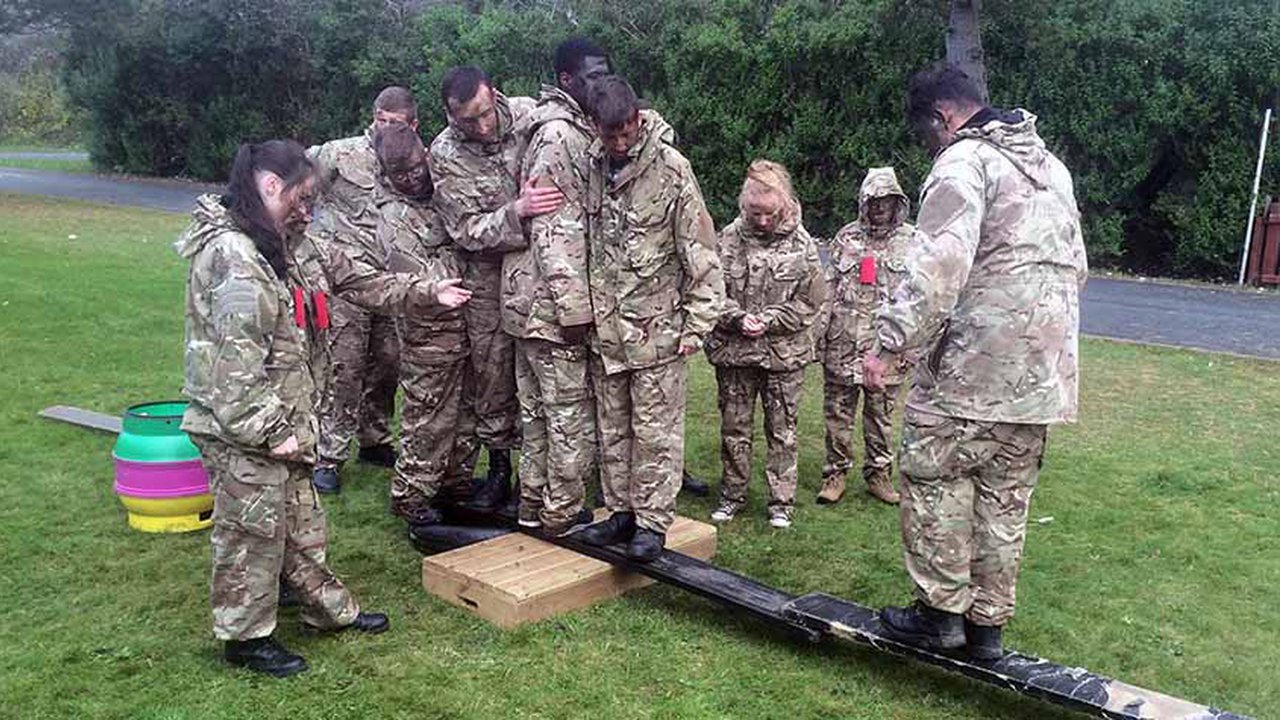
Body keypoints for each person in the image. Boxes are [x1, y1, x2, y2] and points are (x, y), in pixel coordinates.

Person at [177, 140, 470, 677]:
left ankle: (326, 610)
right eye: (302, 197)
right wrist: (270, 430)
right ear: (271, 187)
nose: (309, 209)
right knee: (252, 532)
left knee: (302, 523)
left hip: (285, 417)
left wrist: (429, 292)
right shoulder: (236, 259)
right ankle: (245, 638)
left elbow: (363, 280)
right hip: (244, 426)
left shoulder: (293, 244)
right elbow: (231, 365)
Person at [865, 66, 1087, 660]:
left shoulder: (965, 164)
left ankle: (939, 615)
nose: (930, 143)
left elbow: (938, 267)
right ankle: (987, 629)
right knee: (1004, 500)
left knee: (937, 482)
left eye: (927, 132)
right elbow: (1077, 269)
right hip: (1042, 377)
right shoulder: (1052, 169)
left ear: (942, 115)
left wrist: (888, 344)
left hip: (972, 370)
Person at [575, 76, 724, 562]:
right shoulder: (592, 167)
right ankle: (620, 512)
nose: (621, 142)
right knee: (613, 429)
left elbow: (700, 249)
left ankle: (653, 523)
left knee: (656, 433)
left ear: (638, 119)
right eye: (610, 134)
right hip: (608, 332)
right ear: (595, 126)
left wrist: (699, 323)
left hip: (660, 332)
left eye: (628, 131)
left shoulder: (672, 170)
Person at [429, 66, 564, 511]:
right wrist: (518, 211)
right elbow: (464, 229)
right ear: (451, 115)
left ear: (495, 94)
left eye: (486, 113)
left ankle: (547, 472)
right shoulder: (445, 153)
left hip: (541, 272)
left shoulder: (529, 115)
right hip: (485, 280)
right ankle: (500, 466)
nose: (483, 126)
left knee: (548, 369)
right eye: (470, 120)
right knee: (492, 377)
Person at [504, 38, 610, 535]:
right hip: (550, 308)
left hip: (530, 303)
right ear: (567, 80)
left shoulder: (553, 128)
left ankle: (533, 506)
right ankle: (562, 513)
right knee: (567, 416)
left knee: (540, 416)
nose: (600, 83)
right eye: (591, 75)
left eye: (605, 73)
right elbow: (554, 229)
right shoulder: (561, 137)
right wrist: (573, 312)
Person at [308, 86, 420, 494]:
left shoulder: (413, 158)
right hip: (345, 283)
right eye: (380, 120)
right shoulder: (339, 153)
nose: (385, 129)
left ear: (413, 125)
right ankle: (328, 454)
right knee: (344, 367)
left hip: (391, 281)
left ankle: (374, 438)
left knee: (389, 363)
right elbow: (300, 192)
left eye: (395, 123)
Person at [705, 160, 826, 529]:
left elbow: (810, 302)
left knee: (783, 431)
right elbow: (710, 292)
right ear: (745, 206)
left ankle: (780, 502)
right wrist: (737, 318)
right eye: (754, 212)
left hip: (783, 356)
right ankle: (732, 495)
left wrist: (771, 319)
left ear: (784, 205)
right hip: (735, 353)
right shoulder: (728, 238)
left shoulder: (803, 244)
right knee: (734, 429)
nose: (761, 220)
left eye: (768, 213)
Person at [373, 123, 481, 526]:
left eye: (418, 167)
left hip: (463, 326)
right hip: (428, 336)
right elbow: (421, 280)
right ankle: (411, 494)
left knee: (466, 415)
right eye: (401, 174)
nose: (413, 178)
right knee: (428, 419)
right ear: (386, 174)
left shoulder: (441, 191)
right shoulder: (393, 218)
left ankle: (455, 483)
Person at [816, 167, 916, 506]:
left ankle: (878, 475)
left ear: (897, 203)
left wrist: (912, 348)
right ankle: (835, 473)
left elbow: (921, 298)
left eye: (885, 202)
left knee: (881, 417)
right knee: (837, 416)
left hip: (887, 349)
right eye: (872, 202)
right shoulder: (846, 237)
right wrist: (819, 337)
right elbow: (826, 288)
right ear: (863, 203)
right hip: (843, 344)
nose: (878, 209)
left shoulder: (912, 241)